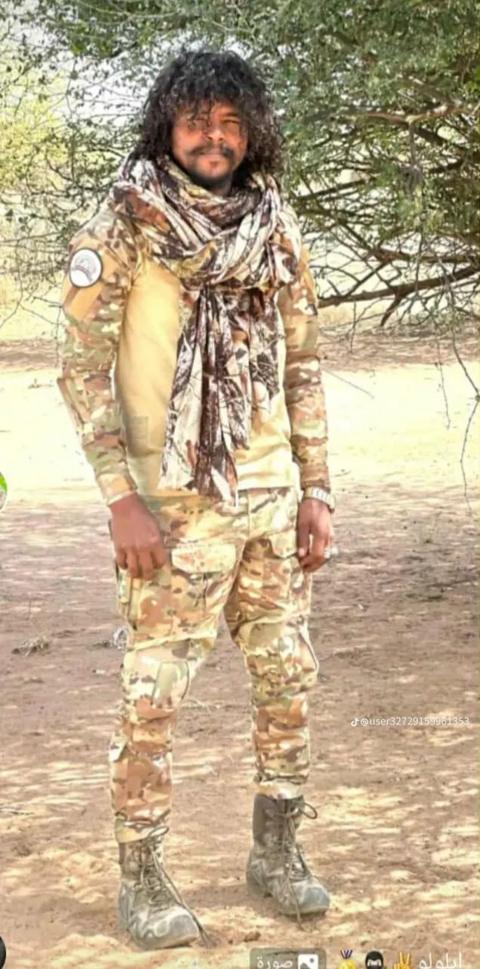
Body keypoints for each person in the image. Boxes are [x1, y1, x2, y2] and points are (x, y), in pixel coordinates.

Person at [57, 47, 336, 951]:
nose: (213, 138)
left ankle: (277, 852)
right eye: (195, 121)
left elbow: (304, 363)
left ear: (251, 132)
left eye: (229, 123)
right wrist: (120, 499)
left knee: (288, 677)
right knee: (155, 693)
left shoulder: (274, 225)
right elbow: (80, 369)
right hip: (170, 505)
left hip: (271, 499)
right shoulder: (125, 222)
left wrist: (317, 488)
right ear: (166, 127)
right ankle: (141, 877)